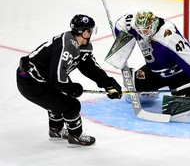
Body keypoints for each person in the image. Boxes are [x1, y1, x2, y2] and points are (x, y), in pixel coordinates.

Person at [16, 14, 122, 147]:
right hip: (31, 83)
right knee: (72, 105)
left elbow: (90, 68)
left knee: (60, 95)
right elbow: (57, 78)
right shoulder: (67, 45)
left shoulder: (81, 45)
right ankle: (75, 136)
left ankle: (56, 130)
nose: (91, 33)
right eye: (89, 30)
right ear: (83, 32)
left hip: (39, 79)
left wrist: (109, 84)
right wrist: (72, 89)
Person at [105, 10, 190, 103]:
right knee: (132, 93)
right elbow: (121, 24)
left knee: (182, 105)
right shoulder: (137, 26)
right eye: (140, 30)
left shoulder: (168, 36)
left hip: (179, 74)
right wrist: (120, 40)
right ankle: (152, 92)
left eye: (145, 30)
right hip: (155, 72)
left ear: (153, 25)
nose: (143, 34)